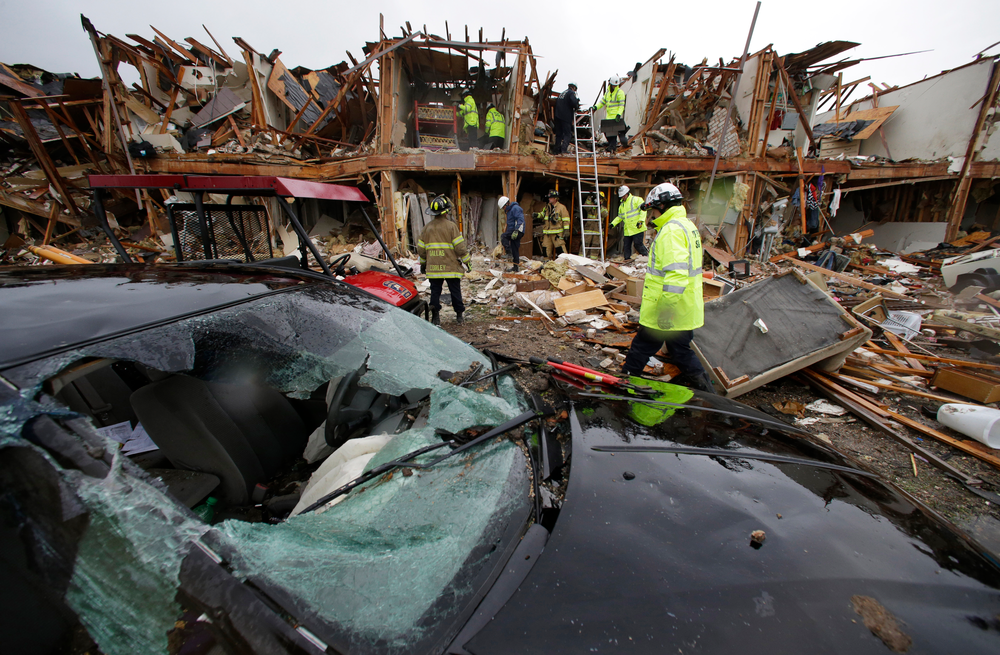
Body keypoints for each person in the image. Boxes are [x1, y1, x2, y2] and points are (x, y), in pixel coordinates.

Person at [621, 183, 715, 393]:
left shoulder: (671, 231)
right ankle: (710, 395)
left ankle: (623, 386)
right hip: (682, 307)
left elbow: (676, 275)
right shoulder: (686, 225)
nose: (652, 215)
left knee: (641, 348)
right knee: (680, 349)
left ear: (662, 206)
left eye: (653, 209)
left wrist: (665, 310)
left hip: (667, 309)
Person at [416, 195, 470, 326]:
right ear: (446, 212)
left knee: (435, 293)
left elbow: (421, 250)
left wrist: (423, 264)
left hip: (434, 268)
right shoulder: (452, 227)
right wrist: (467, 261)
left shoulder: (426, 228)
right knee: (455, 291)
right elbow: (460, 248)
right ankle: (459, 316)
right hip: (451, 267)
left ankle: (435, 318)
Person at [611, 185, 649, 261]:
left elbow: (643, 210)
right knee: (626, 246)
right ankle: (627, 260)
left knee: (638, 244)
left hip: (637, 228)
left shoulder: (636, 200)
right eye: (621, 196)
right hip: (628, 230)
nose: (622, 197)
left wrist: (641, 221)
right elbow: (620, 216)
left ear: (627, 193)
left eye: (623, 196)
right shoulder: (622, 205)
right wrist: (613, 223)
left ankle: (646, 257)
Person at [592, 75, 627, 152]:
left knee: (615, 134)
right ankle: (611, 146)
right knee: (607, 133)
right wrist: (595, 107)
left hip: (616, 118)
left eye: (616, 85)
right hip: (609, 117)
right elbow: (602, 102)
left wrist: (618, 114)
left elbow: (621, 105)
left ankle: (613, 147)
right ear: (610, 84)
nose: (615, 87)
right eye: (613, 85)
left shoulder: (620, 93)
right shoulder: (607, 93)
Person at [538, 190, 570, 259]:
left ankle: (564, 263)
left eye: (550, 197)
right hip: (547, 233)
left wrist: (566, 229)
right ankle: (546, 264)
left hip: (557, 234)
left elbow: (566, 219)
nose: (549, 199)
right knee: (545, 249)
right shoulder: (547, 207)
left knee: (561, 250)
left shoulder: (562, 207)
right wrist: (537, 215)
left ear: (555, 198)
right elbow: (542, 214)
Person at [498, 195, 524, 272]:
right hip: (514, 231)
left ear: (507, 204)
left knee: (504, 236)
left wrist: (516, 230)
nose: (504, 209)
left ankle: (508, 253)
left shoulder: (515, 208)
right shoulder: (509, 211)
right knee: (515, 248)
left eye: (503, 207)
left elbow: (520, 219)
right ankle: (515, 267)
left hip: (517, 230)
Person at [553, 82, 579, 155]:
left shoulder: (562, 94)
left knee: (559, 134)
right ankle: (563, 150)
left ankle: (556, 150)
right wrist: (576, 104)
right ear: (574, 88)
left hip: (558, 116)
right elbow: (573, 103)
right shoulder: (571, 93)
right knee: (568, 134)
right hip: (566, 117)